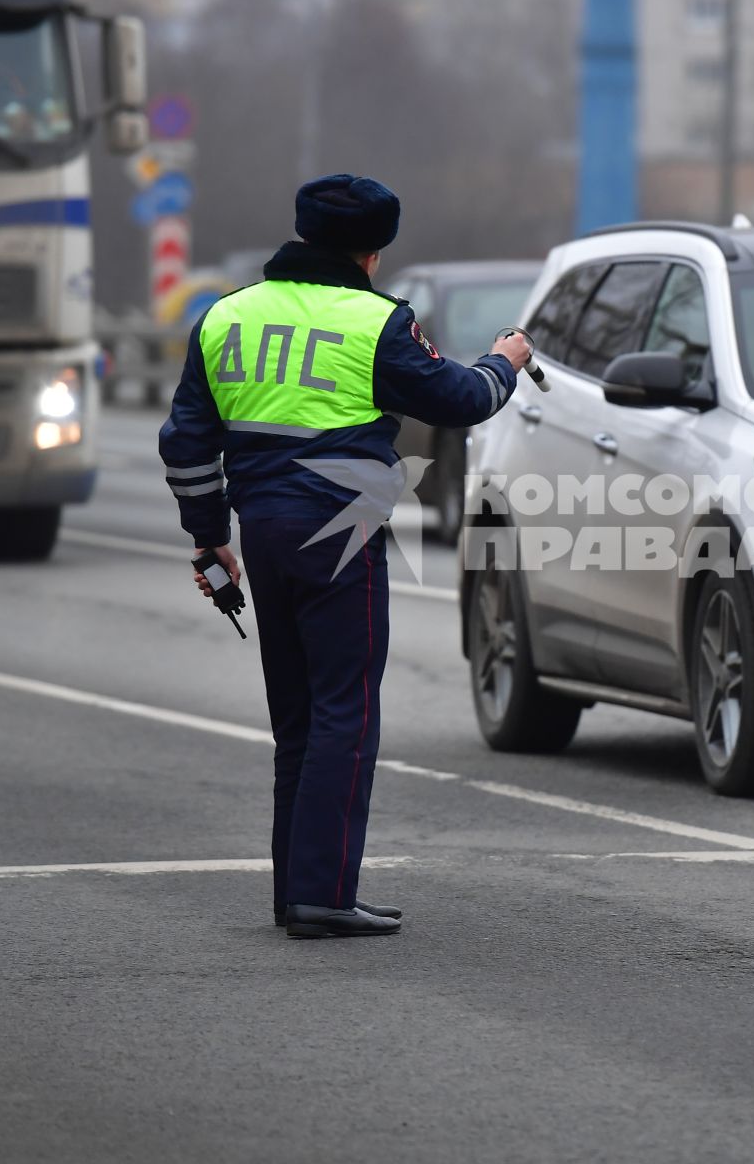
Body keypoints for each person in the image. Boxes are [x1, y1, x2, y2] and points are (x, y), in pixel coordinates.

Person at [159, 173, 531, 938]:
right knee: (345, 716)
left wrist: (208, 537)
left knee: (297, 721)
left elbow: (186, 441)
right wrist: (506, 361)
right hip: (340, 529)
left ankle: (296, 891)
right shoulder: (377, 322)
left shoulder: (225, 317)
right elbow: (459, 402)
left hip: (261, 530)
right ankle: (323, 894)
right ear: (373, 251)